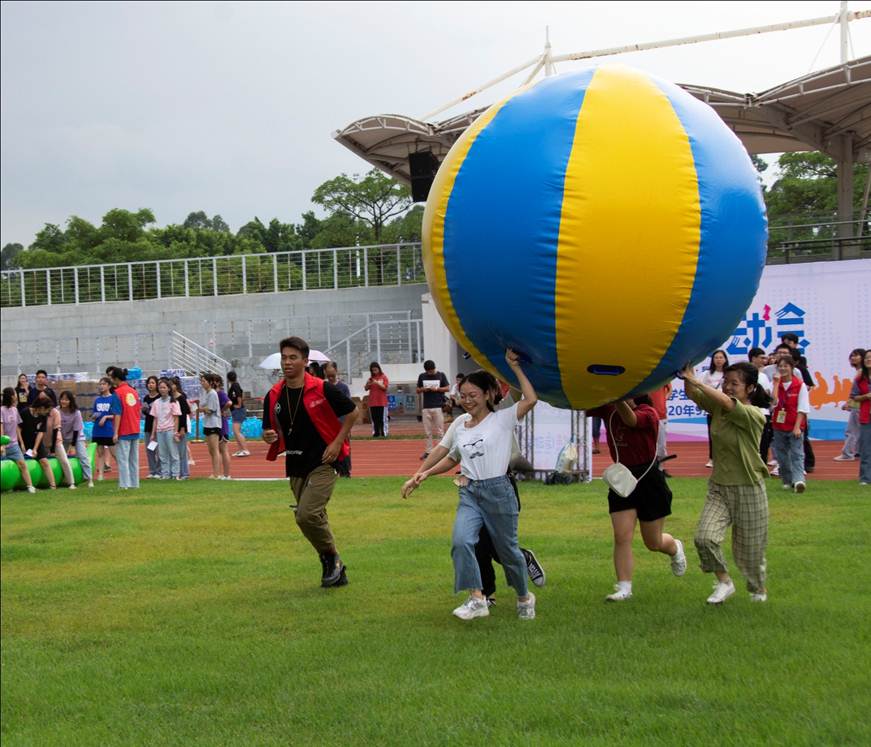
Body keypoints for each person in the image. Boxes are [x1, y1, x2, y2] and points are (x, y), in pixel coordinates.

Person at [402, 350, 539, 621]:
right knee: (461, 540)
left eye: (473, 396)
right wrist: (423, 474)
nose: (466, 401)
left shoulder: (502, 419)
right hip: (470, 492)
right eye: (462, 396)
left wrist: (515, 368)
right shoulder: (461, 425)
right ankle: (477, 598)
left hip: (499, 492)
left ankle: (525, 596)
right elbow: (452, 456)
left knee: (508, 552)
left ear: (488, 394)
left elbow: (531, 399)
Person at [261, 336, 358, 588]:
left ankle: (329, 557)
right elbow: (269, 431)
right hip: (295, 463)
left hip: (325, 460)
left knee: (307, 515)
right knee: (312, 516)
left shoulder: (322, 388)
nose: (287, 362)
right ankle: (335, 565)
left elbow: (353, 412)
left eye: (293, 357)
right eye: (284, 357)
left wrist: (337, 442)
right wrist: (269, 435)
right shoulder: (274, 395)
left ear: (305, 361)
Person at [681, 361, 771, 604]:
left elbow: (725, 402)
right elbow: (693, 394)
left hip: (749, 488)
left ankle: (757, 590)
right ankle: (724, 582)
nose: (729, 387)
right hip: (719, 487)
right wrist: (687, 376)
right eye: (726, 382)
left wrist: (698, 381)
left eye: (735, 384)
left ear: (750, 388)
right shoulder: (719, 407)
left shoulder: (754, 414)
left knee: (750, 552)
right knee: (704, 538)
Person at [588, 395, 687, 601]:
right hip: (622, 478)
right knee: (621, 536)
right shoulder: (609, 407)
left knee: (653, 542)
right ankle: (624, 587)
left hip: (648, 479)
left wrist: (617, 398)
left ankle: (675, 547)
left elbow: (631, 420)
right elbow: (582, 404)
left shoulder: (648, 413)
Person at [771, 356, 810, 493]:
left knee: (797, 454)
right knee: (781, 455)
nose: (782, 369)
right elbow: (773, 402)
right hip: (779, 425)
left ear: (792, 368)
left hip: (795, 425)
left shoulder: (799, 385)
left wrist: (797, 426)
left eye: (785, 366)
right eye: (780, 366)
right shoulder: (776, 383)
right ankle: (787, 480)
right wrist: (776, 384)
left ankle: (799, 480)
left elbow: (803, 408)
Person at [780, 333, 816, 474]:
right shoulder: (773, 369)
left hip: (796, 408)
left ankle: (807, 464)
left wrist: (800, 396)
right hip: (781, 412)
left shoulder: (800, 367)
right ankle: (786, 470)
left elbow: (809, 385)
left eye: (789, 343)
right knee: (780, 442)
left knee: (800, 437)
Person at [31, 394, 76, 489]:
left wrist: (52, 450)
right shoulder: (40, 412)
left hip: (56, 441)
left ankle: (71, 483)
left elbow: (56, 431)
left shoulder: (55, 412)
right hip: (42, 441)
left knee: (64, 460)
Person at [107, 366, 141, 490]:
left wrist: (115, 432)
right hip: (135, 428)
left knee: (123, 460)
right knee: (133, 460)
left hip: (124, 430)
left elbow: (117, 414)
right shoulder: (133, 391)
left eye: (111, 378)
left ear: (116, 378)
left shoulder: (117, 393)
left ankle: (124, 485)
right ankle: (134, 484)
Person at [1, 387, 37, 493]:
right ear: (11, 396)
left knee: (22, 464)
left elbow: (17, 428)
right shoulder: (1, 410)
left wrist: (21, 443)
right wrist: (2, 444)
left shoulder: (15, 410)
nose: (16, 396)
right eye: (15, 394)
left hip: (14, 445)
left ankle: (30, 486)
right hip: (3, 445)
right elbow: (1, 428)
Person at [835, 348, 866, 461]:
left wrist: (849, 403)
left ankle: (847, 454)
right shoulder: (861, 372)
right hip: (860, 406)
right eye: (851, 356)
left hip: (859, 406)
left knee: (852, 431)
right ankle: (859, 451)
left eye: (856, 355)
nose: (853, 358)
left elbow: (858, 392)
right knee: (861, 431)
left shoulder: (861, 372)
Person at [323, 362, 353, 476]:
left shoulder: (343, 388)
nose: (330, 378)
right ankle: (332, 470)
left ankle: (345, 472)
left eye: (332, 375)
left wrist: (348, 427)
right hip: (328, 424)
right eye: (328, 375)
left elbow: (350, 408)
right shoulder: (323, 386)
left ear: (336, 371)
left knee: (344, 448)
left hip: (342, 423)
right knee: (329, 447)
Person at [416, 360, 450, 460]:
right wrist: (423, 389)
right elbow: (417, 390)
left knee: (440, 431)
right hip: (426, 406)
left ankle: (441, 452)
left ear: (434, 368)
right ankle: (428, 451)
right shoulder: (422, 376)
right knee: (427, 432)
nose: (430, 373)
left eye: (431, 371)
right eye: (428, 372)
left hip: (438, 406)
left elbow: (447, 388)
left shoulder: (441, 375)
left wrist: (437, 389)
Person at [59, 391, 93, 488]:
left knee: (83, 456)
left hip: (76, 437)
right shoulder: (57, 411)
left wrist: (73, 445)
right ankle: (64, 479)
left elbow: (76, 430)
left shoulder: (76, 412)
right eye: (62, 399)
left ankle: (89, 479)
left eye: (66, 399)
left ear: (70, 401)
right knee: (61, 457)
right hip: (63, 437)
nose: (63, 401)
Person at [150, 377, 181, 480]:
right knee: (162, 454)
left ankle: (175, 473)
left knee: (173, 452)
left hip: (170, 430)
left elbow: (176, 418)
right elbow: (155, 419)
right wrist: (153, 434)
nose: (162, 389)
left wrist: (175, 432)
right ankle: (165, 473)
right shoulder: (156, 403)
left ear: (168, 389)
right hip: (159, 431)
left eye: (164, 387)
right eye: (160, 387)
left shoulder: (173, 402)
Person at [701, 350, 728, 468]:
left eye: (721, 357)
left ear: (725, 359)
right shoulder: (707, 374)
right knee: (713, 434)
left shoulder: (729, 373)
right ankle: (712, 458)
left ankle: (726, 458)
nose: (718, 360)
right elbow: (700, 388)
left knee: (726, 435)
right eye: (716, 357)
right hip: (712, 408)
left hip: (726, 407)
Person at [748, 347, 774, 468]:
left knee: (764, 440)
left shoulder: (763, 376)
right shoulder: (744, 374)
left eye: (765, 358)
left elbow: (768, 394)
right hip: (748, 412)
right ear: (753, 358)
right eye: (761, 358)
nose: (764, 360)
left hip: (763, 412)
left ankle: (762, 465)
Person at [91, 377, 120, 481]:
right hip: (98, 430)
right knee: (100, 453)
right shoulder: (97, 400)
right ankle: (100, 475)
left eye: (103, 384)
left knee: (114, 453)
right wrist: (94, 417)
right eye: (100, 384)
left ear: (109, 386)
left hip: (109, 430)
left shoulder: (113, 398)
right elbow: (94, 413)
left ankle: (122, 472)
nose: (101, 386)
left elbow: (117, 415)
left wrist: (106, 417)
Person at [850, 349, 871, 485]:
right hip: (866, 416)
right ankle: (865, 478)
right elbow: (854, 396)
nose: (868, 360)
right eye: (867, 358)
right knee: (866, 448)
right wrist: (865, 396)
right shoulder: (860, 378)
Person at [199, 373, 223, 479]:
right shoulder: (206, 393)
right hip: (207, 423)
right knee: (210, 450)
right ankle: (214, 472)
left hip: (214, 423)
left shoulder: (213, 393)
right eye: (201, 381)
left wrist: (202, 409)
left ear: (210, 382)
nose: (202, 383)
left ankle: (217, 473)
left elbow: (210, 410)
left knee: (215, 449)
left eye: (204, 381)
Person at [647, 382, 672, 476]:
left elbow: (670, 390)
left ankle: (661, 469)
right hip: (645, 413)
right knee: (648, 443)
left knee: (661, 445)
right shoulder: (644, 376)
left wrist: (664, 399)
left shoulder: (662, 375)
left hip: (661, 414)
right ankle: (649, 469)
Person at [170, 377, 191, 479]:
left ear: (176, 385)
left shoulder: (181, 397)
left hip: (181, 427)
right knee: (174, 452)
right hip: (172, 427)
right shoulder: (170, 398)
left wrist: (182, 428)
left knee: (182, 451)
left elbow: (184, 414)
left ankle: (185, 473)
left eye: (172, 384)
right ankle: (175, 472)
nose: (171, 386)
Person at [226, 371, 250, 457]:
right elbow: (241, 394)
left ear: (228, 379)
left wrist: (239, 405)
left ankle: (245, 449)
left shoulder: (235, 385)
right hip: (236, 411)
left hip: (238, 410)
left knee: (236, 431)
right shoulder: (235, 385)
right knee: (236, 431)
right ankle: (241, 449)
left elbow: (239, 395)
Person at [142, 376, 161, 479]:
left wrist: (150, 411)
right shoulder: (146, 397)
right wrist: (144, 410)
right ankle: (152, 470)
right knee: (150, 450)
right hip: (148, 426)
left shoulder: (159, 397)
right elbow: (145, 411)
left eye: (153, 383)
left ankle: (159, 471)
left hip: (158, 427)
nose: (151, 385)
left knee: (159, 450)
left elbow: (158, 413)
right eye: (149, 383)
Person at [364, 362, 389, 437]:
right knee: (374, 419)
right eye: (373, 370)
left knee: (382, 419)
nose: (374, 372)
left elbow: (385, 387)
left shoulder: (383, 377)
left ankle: (384, 433)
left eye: (375, 370)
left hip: (382, 402)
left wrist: (377, 382)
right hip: (372, 402)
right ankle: (376, 433)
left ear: (379, 369)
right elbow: (366, 388)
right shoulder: (370, 379)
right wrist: (368, 384)